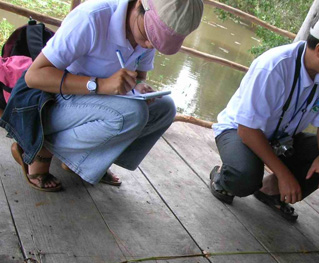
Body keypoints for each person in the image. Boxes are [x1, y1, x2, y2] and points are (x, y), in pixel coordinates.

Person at [1, 0, 203, 192]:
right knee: (132, 113)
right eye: (149, 34)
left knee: (164, 108)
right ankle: (39, 150)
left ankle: (87, 161)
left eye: (158, 42)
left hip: (94, 102)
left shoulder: (147, 32)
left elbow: (139, 75)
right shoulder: (91, 17)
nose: (150, 45)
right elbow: (34, 77)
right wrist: (101, 85)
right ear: (140, 4)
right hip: (50, 100)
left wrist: (140, 86)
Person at [209, 10, 319, 222]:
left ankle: (269, 190)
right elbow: (247, 130)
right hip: (240, 132)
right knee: (244, 178)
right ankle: (223, 176)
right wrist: (283, 173)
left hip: (281, 138)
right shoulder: (274, 67)